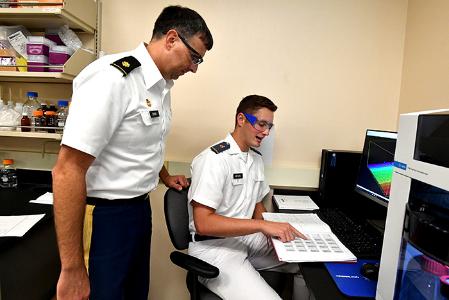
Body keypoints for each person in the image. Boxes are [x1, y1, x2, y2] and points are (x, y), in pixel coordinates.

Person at [52, 5, 213, 300]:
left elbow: (142, 141)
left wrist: (163, 175)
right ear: (172, 38)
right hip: (104, 217)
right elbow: (67, 170)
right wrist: (72, 268)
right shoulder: (112, 79)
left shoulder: (161, 85)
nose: (194, 68)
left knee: (135, 293)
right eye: (195, 57)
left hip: (138, 212)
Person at [188, 95, 312, 300]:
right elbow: (203, 223)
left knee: (306, 264)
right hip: (214, 249)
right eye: (261, 124)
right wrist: (261, 226)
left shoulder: (255, 159)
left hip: (246, 240)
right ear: (241, 119)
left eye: (270, 126)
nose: (266, 132)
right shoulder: (213, 160)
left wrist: (270, 231)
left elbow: (256, 205)